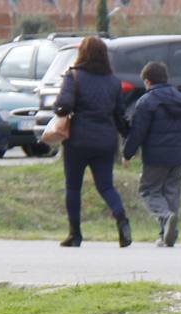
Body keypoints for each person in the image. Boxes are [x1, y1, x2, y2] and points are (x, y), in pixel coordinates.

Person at [54, 36, 131, 248]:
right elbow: (120, 116)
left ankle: (75, 234)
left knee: (73, 187)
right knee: (106, 186)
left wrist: (58, 106)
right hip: (106, 141)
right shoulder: (114, 82)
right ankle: (121, 218)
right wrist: (128, 138)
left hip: (78, 140)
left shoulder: (74, 76)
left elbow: (64, 105)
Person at [122, 61, 181, 247]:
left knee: (148, 190)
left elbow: (138, 132)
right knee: (171, 192)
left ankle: (164, 218)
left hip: (154, 156)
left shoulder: (146, 102)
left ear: (148, 81)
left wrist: (128, 153)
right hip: (177, 156)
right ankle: (167, 235)